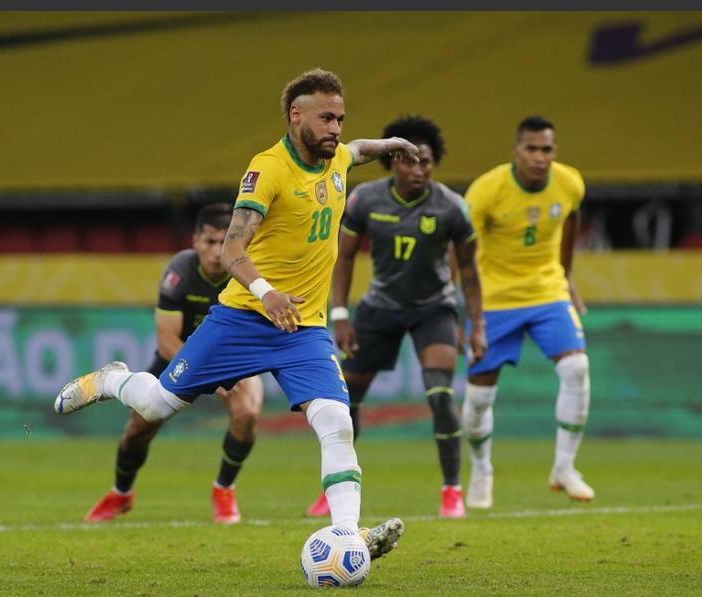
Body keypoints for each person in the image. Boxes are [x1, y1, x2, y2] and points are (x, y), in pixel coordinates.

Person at [54, 68, 419, 561]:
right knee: (158, 405)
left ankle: (348, 538)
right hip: (243, 318)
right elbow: (230, 248)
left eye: (341, 118)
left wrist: (390, 142)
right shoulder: (267, 169)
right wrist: (266, 292)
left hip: (303, 328)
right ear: (296, 116)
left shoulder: (338, 161)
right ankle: (112, 381)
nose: (336, 128)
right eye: (326, 118)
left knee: (336, 420)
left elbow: (360, 150)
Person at [305, 115, 486, 520]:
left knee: (440, 395)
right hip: (379, 308)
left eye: (425, 162)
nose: (418, 169)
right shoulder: (365, 200)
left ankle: (452, 490)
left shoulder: (453, 207)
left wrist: (477, 325)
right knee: (344, 400)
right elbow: (344, 256)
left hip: (434, 310)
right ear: (392, 163)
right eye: (408, 161)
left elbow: (471, 272)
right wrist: (339, 314)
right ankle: (334, 489)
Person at [84, 203, 264, 524]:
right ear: (195, 241)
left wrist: (225, 371)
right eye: (209, 242)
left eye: (224, 243)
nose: (215, 251)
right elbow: (167, 342)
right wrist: (206, 374)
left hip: (231, 361)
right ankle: (121, 493)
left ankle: (224, 488)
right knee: (137, 429)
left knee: (247, 411)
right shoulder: (179, 271)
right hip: (179, 356)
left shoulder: (248, 274)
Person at [460, 115, 593, 508]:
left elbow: (571, 219)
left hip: (547, 292)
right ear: (516, 151)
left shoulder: (569, 182)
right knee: (479, 398)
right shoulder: (486, 190)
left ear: (555, 152)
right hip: (495, 299)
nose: (539, 157)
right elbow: (462, 251)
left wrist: (566, 277)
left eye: (547, 150)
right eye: (531, 149)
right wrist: (466, 308)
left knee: (577, 369)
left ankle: (564, 467)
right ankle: (482, 467)